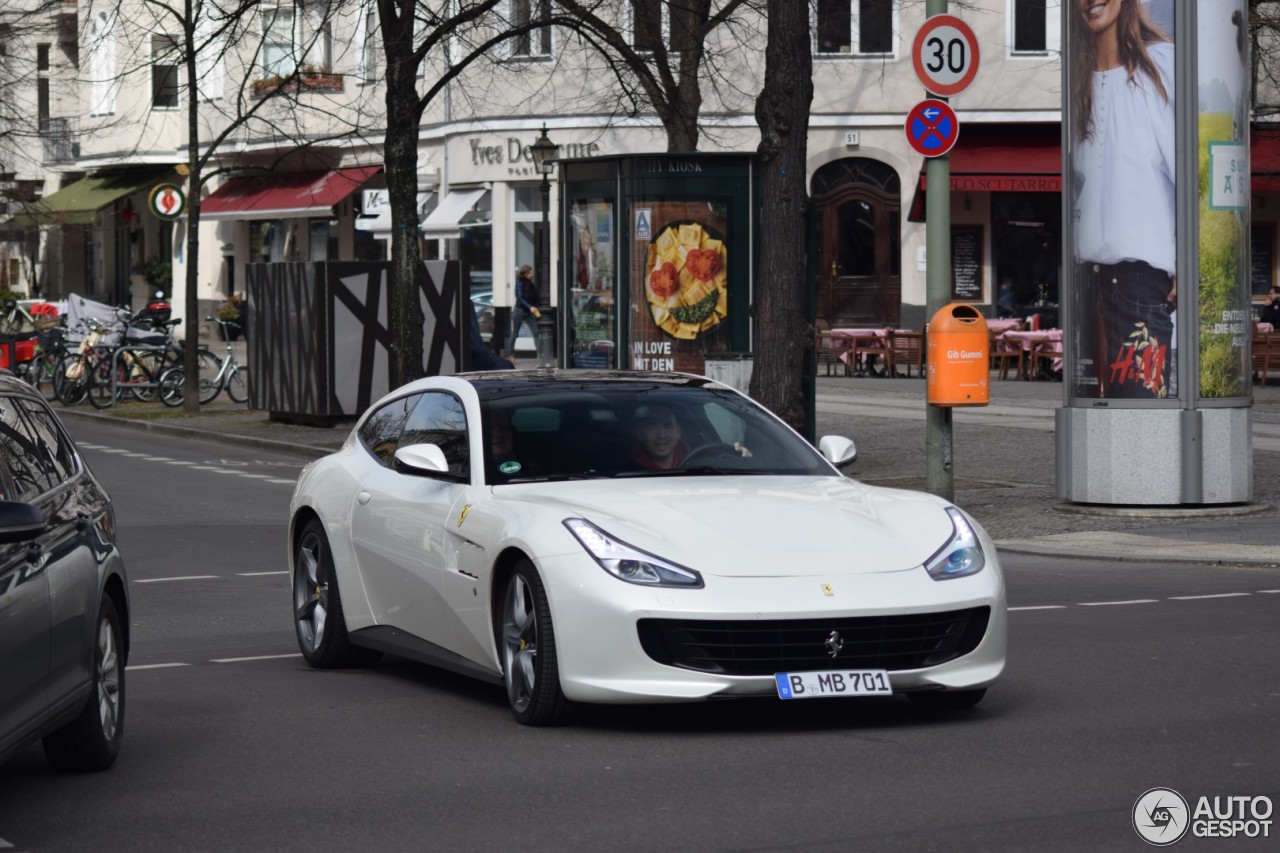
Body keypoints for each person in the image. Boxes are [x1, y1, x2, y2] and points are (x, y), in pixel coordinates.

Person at [1070, 0, 1176, 399]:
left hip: (1140, 279)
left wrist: (1187, 258)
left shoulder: (1162, 66)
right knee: (1096, 419)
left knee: (1142, 411)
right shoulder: (1075, 81)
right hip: (1086, 281)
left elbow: (1190, 172)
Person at [626, 405, 689, 470]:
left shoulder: (694, 462)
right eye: (652, 428)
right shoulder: (626, 470)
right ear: (640, 434)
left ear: (678, 432)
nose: (661, 435)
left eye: (668, 427)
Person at [504, 265, 540, 359]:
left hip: (529, 313)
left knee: (536, 332)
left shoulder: (531, 284)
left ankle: (540, 355)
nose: (532, 274)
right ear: (525, 274)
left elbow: (534, 296)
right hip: (519, 312)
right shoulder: (519, 283)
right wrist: (530, 307)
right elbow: (520, 298)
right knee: (515, 334)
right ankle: (510, 355)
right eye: (530, 273)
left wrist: (535, 306)